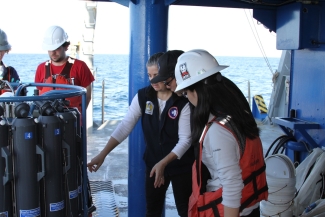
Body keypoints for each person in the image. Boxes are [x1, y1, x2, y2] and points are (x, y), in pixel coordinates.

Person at [87, 52, 194, 217]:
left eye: (156, 75)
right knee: (152, 211)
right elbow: (124, 126)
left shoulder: (183, 100)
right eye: (149, 75)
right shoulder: (143, 96)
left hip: (181, 166)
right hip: (153, 164)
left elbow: (185, 140)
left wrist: (163, 163)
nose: (152, 80)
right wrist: (102, 154)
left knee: (186, 210)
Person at [174, 49, 268, 217]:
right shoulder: (238, 115)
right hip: (250, 208)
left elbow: (232, 185)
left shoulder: (218, 131)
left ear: (197, 90)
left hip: (228, 210)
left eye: (186, 92)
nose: (187, 98)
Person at [34, 25, 95, 113]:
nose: (53, 52)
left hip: (71, 120)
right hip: (47, 120)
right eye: (50, 49)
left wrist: (79, 117)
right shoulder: (41, 68)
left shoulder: (80, 66)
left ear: (66, 46)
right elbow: (40, 94)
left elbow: (87, 96)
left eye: (56, 48)